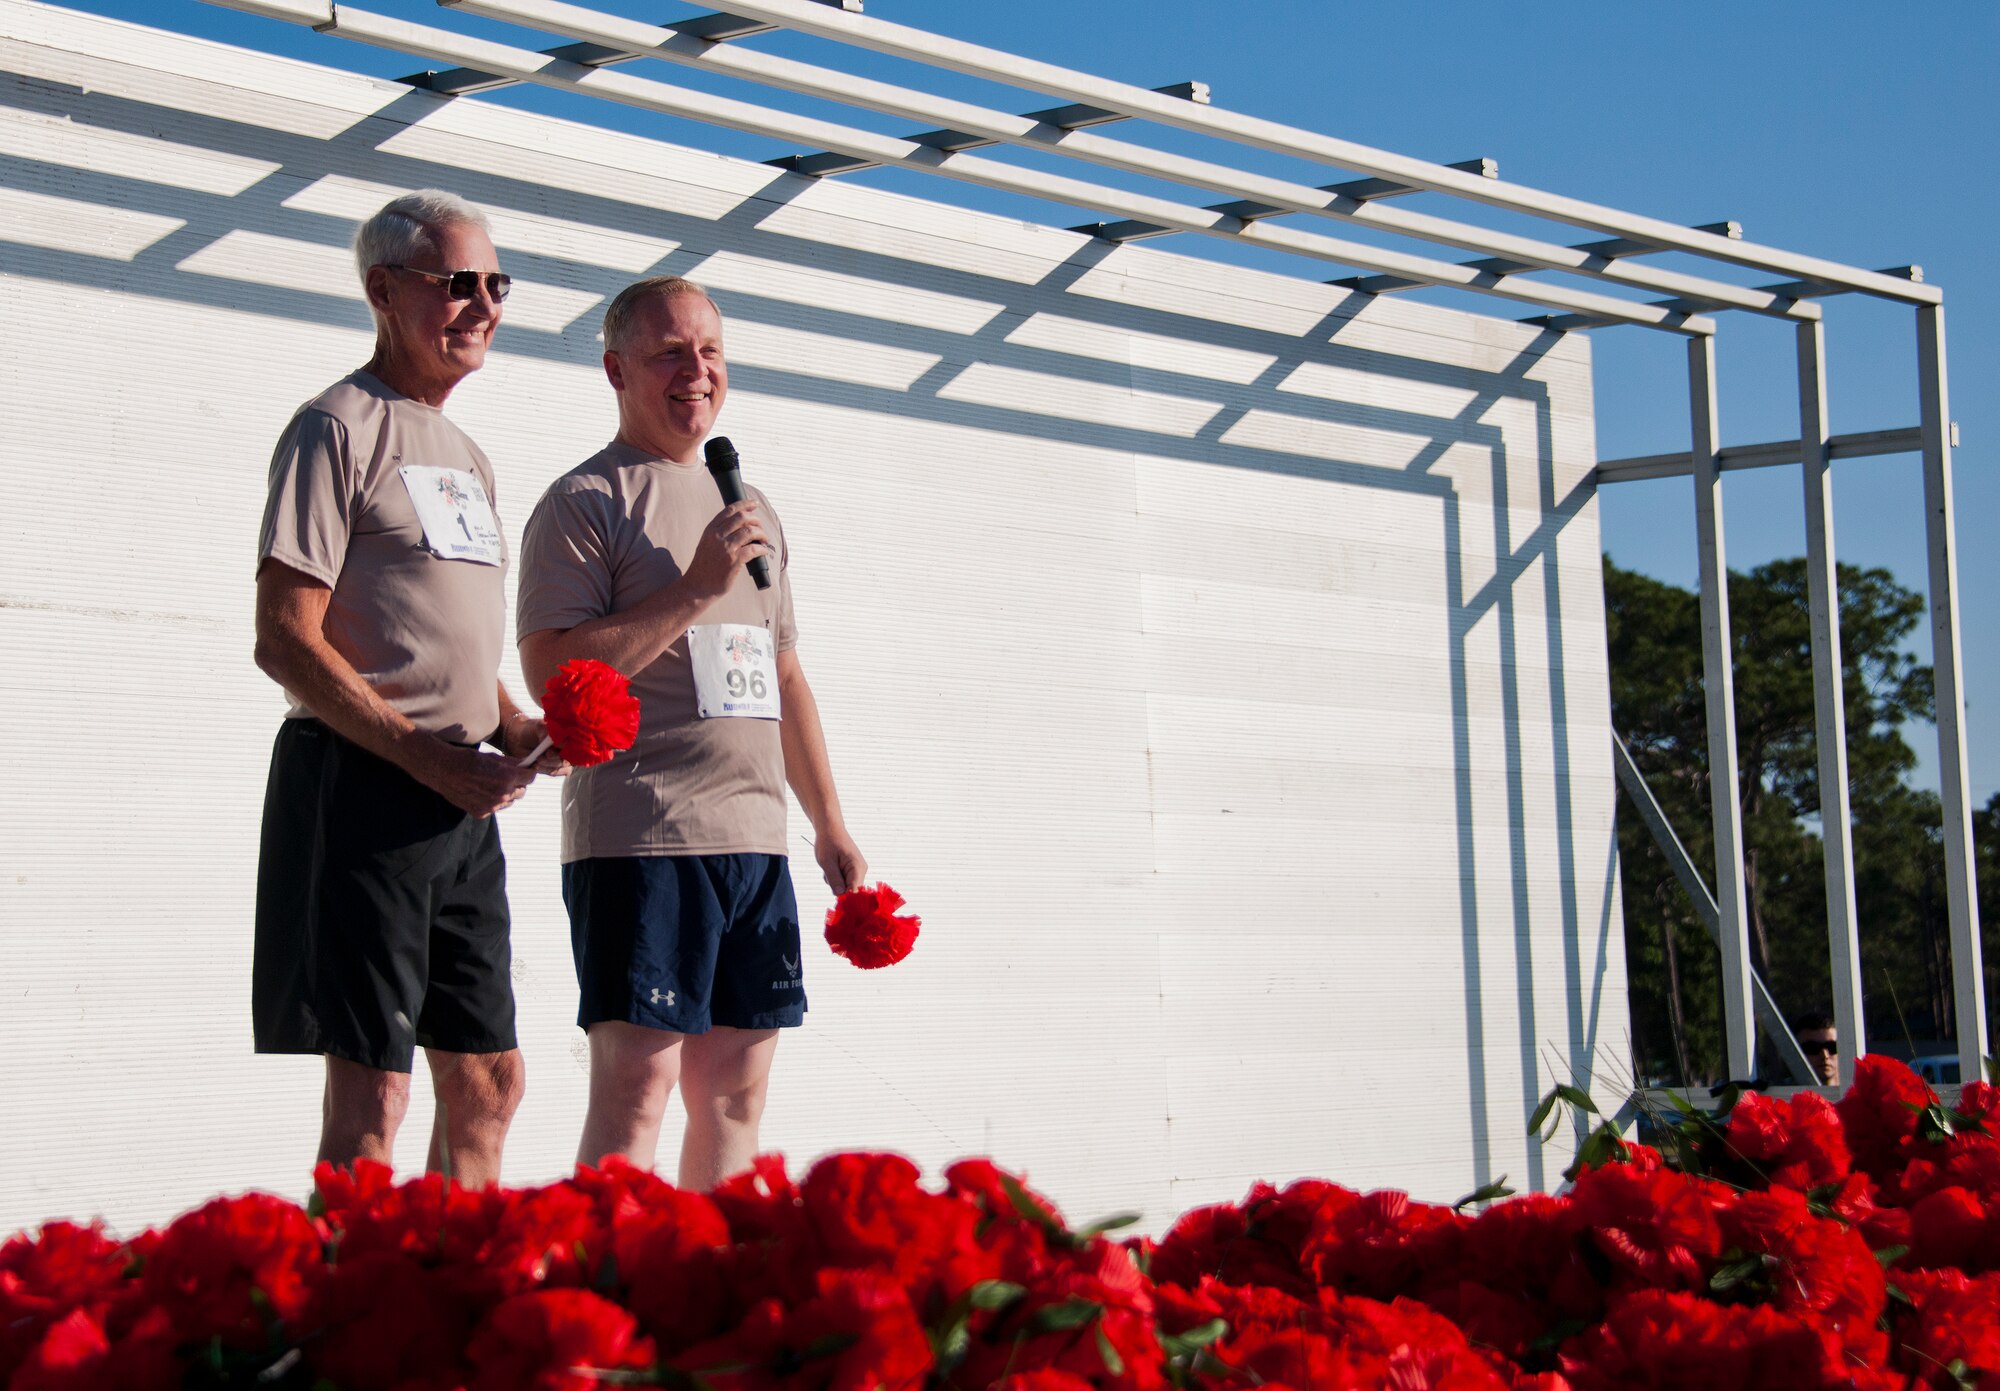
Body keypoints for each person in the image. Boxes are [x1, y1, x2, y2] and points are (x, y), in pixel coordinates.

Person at [515, 276, 866, 1189]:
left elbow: (784, 674)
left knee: (736, 1099)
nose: (695, 371)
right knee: (638, 1089)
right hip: (645, 839)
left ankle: (711, 1300)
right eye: (670, 351)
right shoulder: (585, 501)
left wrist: (827, 823)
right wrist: (694, 588)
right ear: (616, 368)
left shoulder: (751, 510)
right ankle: (608, 1304)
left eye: (709, 351)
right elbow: (553, 672)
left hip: (753, 844)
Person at [252, 190, 562, 1186]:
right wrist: (422, 749)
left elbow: (446, 640)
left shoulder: (466, 456)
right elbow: (285, 641)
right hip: (366, 787)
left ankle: (452, 1301)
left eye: (494, 284)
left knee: (488, 1079)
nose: (480, 305)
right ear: (384, 291)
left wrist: (516, 723)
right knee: (372, 1088)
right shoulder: (333, 429)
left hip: (459, 801)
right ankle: (340, 1322)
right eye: (455, 283)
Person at [1793, 1010, 1841, 1087]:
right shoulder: (1782, 1094)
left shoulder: (1860, 1094)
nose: (1825, 1056)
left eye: (1832, 1047)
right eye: (1812, 1048)